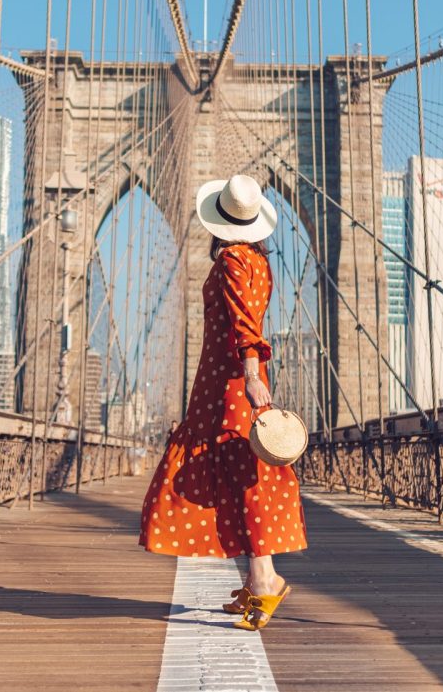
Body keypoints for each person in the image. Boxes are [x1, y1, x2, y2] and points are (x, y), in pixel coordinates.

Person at [139, 174, 307, 631]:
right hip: (227, 382)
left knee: (242, 475)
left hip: (229, 385)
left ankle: (266, 578)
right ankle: (258, 578)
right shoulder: (258, 262)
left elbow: (243, 322)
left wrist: (252, 375)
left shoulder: (232, 260)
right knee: (243, 476)